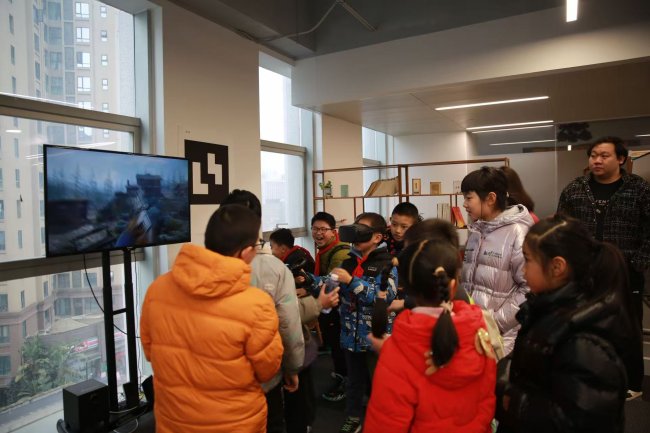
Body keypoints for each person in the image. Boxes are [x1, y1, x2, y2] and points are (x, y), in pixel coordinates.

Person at [140, 204, 283, 433]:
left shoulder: (157, 289)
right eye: (257, 245)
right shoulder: (257, 304)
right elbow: (267, 369)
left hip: (174, 420)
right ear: (246, 252)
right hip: (235, 423)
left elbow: (150, 352)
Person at [496, 215, 636, 433]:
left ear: (557, 267)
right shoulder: (546, 312)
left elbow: (578, 419)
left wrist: (512, 401)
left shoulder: (583, 338)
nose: (523, 270)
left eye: (528, 260)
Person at [364, 240, 497, 433]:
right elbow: (486, 398)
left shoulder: (399, 351)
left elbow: (385, 424)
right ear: (453, 285)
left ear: (407, 289)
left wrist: (389, 354)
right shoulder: (478, 333)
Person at [557, 136, 649, 400]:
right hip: (584, 271)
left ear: (621, 159)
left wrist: (638, 262)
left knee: (628, 327)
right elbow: (562, 229)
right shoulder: (575, 189)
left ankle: (632, 382)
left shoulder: (639, 190)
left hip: (625, 271)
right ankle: (589, 375)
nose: (596, 160)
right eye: (593, 155)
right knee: (584, 324)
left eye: (604, 155)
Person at [221, 190, 304, 433]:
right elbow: (288, 325)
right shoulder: (274, 268)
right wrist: (292, 367)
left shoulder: (196, 265)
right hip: (262, 378)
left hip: (213, 383)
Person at [330, 212, 397, 433]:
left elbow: (383, 297)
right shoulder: (348, 261)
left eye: (362, 231)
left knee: (381, 382)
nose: (356, 235)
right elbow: (331, 285)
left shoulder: (388, 264)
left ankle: (385, 422)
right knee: (354, 381)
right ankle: (353, 417)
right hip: (351, 335)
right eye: (355, 229)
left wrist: (351, 281)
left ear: (377, 237)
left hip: (376, 336)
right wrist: (311, 281)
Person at [270, 228, 339, 433]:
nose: (318, 233)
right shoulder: (281, 264)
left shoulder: (285, 264)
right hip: (291, 350)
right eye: (315, 228)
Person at [460, 166, 534, 355]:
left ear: (491, 198)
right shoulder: (477, 230)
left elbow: (529, 288)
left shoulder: (518, 233)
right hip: (474, 331)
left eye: (469, 198)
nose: (464, 204)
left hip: (502, 339)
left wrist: (495, 322)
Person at [310, 211, 350, 402]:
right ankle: (342, 375)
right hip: (332, 305)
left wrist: (309, 286)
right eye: (315, 229)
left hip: (340, 307)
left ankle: (344, 383)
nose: (318, 233)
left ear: (334, 232)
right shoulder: (325, 250)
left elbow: (332, 283)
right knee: (335, 345)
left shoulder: (340, 253)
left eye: (323, 229)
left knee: (339, 346)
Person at [270, 228, 315, 293]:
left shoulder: (294, 260)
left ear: (283, 249)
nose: (271, 250)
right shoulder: (295, 253)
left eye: (271, 247)